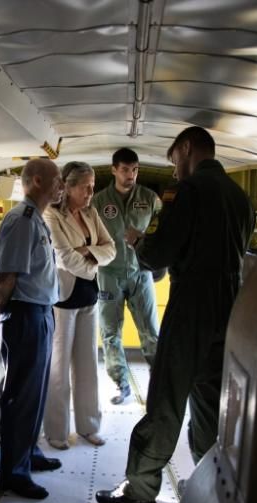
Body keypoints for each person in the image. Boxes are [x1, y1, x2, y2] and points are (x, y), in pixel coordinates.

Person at [95, 127, 254, 503]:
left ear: (186, 148)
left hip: (192, 307)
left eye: (174, 159)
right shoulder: (240, 197)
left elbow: (159, 255)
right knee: (211, 399)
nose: (175, 168)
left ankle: (140, 490)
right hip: (230, 306)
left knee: (166, 396)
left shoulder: (191, 191)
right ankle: (211, 479)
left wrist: (138, 243)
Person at [0, 158, 66, 500]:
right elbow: (7, 277)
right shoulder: (21, 221)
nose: (61, 186)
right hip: (24, 316)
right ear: (37, 181)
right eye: (57, 180)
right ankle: (14, 473)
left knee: (35, 394)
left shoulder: (36, 219)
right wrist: (1, 313)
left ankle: (29, 454)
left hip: (40, 313)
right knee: (21, 396)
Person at [43, 162, 116, 450]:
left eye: (92, 186)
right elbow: (64, 258)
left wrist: (89, 252)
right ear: (69, 187)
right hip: (63, 300)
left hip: (88, 298)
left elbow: (111, 248)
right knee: (59, 369)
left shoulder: (91, 212)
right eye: (85, 187)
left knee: (88, 367)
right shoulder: (51, 215)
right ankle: (57, 432)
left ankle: (88, 426)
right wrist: (93, 264)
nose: (90, 192)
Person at [92, 148, 163, 405]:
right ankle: (121, 383)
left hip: (140, 273)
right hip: (108, 273)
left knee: (151, 332)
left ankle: (158, 383)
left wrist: (157, 264)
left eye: (134, 169)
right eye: (124, 169)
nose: (130, 175)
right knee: (111, 333)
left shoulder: (151, 199)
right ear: (113, 170)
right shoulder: (98, 202)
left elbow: (161, 233)